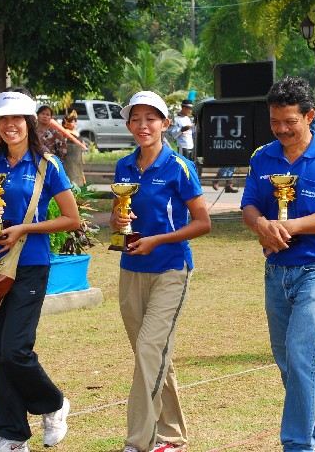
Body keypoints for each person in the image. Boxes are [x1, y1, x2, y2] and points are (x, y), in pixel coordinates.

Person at [240, 76, 315, 452]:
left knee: (302, 352)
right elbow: (249, 205)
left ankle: (297, 445)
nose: (282, 129)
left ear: (309, 116)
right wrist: (261, 225)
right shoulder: (262, 157)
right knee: (290, 362)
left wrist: (290, 227)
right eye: (275, 122)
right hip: (275, 270)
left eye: (290, 121)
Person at [0, 87, 79, 452]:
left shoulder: (48, 165)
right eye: (2, 119)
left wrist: (25, 229)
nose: (9, 125)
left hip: (31, 265)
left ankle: (53, 404)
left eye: (16, 118)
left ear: (29, 123)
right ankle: (10, 436)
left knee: (15, 350)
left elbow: (72, 219)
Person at [110, 90, 211, 452]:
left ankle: (138, 442)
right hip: (131, 269)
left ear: (165, 124)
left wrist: (157, 240)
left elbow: (203, 223)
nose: (143, 125)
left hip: (170, 269)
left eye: (150, 119)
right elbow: (117, 216)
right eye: (136, 119)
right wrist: (117, 220)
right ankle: (173, 436)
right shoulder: (123, 166)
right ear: (128, 125)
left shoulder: (179, 167)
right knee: (151, 356)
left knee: (150, 350)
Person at [62, 110, 87, 186]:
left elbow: (81, 143)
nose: (74, 124)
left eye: (75, 122)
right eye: (72, 122)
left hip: (77, 159)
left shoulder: (76, 132)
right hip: (69, 160)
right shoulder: (65, 133)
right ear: (67, 123)